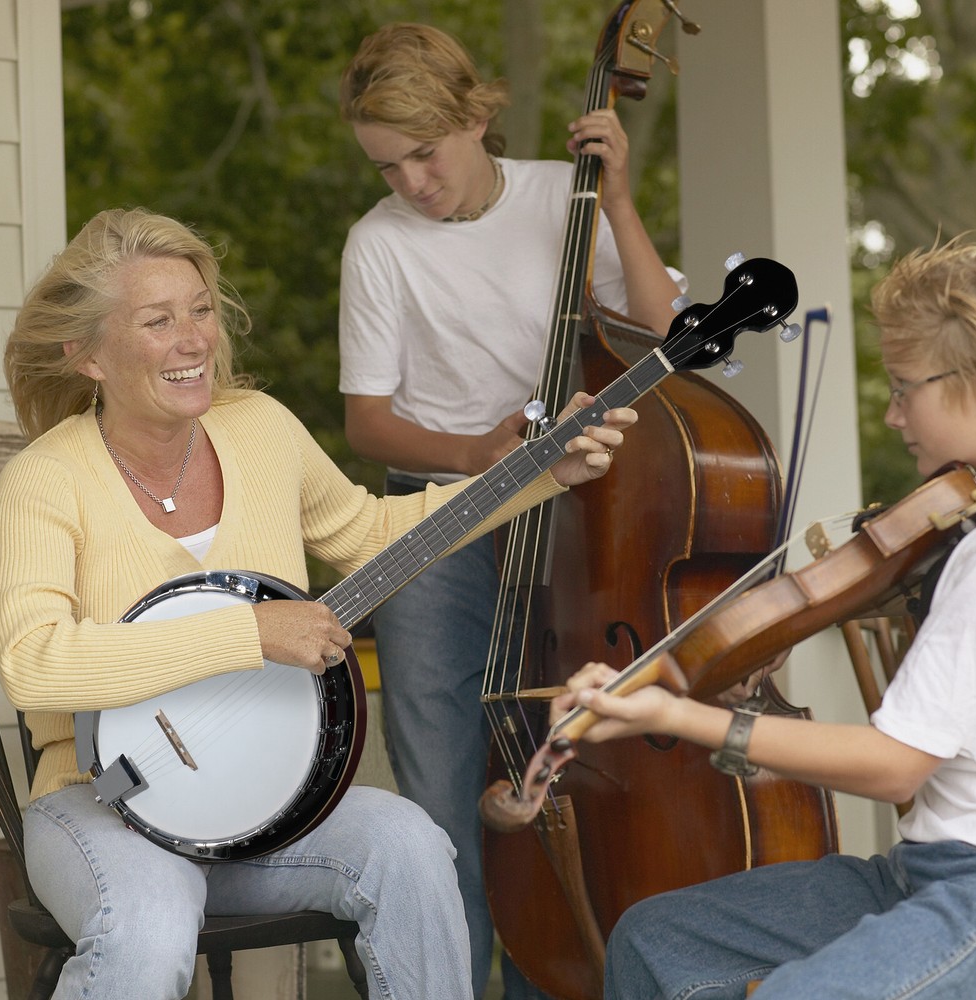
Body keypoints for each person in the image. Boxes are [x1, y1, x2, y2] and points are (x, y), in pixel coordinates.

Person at [0, 206, 636, 1000]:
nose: (195, 340)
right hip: (103, 804)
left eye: (201, 311)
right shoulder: (44, 480)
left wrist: (539, 473)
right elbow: (33, 664)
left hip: (264, 807)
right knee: (149, 925)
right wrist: (248, 632)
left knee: (409, 844)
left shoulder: (260, 428)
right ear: (85, 355)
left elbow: (370, 533)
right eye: (159, 322)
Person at [535, 238, 976, 999]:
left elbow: (896, 765)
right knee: (657, 941)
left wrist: (681, 713)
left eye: (905, 387)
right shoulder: (964, 530)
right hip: (920, 871)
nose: (891, 411)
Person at [337, 23, 685, 998]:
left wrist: (614, 201)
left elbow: (666, 335)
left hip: (575, 511)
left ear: (476, 116)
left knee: (573, 768)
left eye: (424, 152)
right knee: (441, 782)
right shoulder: (376, 246)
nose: (410, 181)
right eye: (387, 164)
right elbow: (368, 421)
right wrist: (478, 456)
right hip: (442, 517)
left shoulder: (561, 191)